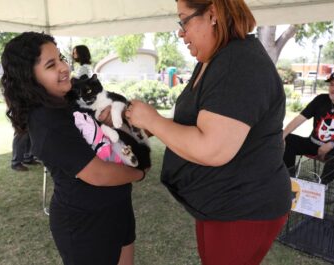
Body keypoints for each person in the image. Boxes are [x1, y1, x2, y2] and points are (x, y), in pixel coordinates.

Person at [103, 0, 292, 264]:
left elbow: (212, 148)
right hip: (221, 202)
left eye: (184, 20)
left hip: (243, 206)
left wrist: (154, 120)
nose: (181, 32)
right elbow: (200, 121)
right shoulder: (214, 58)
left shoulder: (238, 62)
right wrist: (149, 125)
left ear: (213, 13)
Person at [0, 32, 145, 265]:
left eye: (60, 58)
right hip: (86, 224)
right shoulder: (47, 123)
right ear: (29, 78)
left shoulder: (68, 101)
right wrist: (140, 173)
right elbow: (97, 173)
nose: (64, 67)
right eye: (51, 64)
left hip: (116, 208)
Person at [283, 70, 334, 184]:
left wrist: (332, 144)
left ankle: (321, 185)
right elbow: (300, 118)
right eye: (331, 84)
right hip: (313, 144)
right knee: (286, 138)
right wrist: (283, 135)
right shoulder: (321, 99)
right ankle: (289, 179)